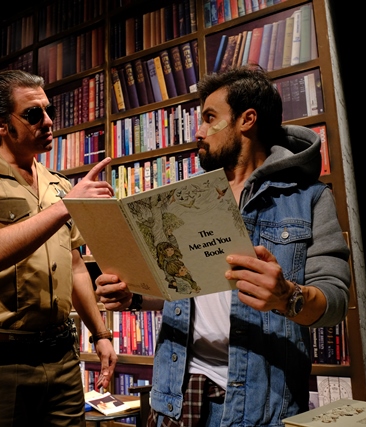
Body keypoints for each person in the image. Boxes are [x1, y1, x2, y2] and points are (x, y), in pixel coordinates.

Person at [94, 66, 352, 426]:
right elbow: (186, 288)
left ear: (247, 120)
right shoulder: (188, 197)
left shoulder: (308, 198)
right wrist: (133, 295)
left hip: (260, 405)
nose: (198, 132)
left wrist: (287, 296)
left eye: (209, 118)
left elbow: (335, 301)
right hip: (175, 395)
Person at [0, 69, 117, 427]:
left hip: (62, 358)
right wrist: (66, 206)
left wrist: (101, 334)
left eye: (49, 110)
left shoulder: (58, 185)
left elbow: (75, 265)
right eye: (34, 114)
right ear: (0, 124)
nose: (48, 121)